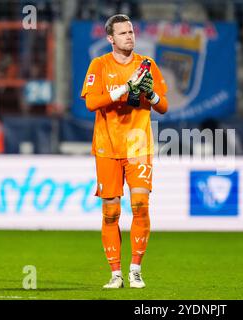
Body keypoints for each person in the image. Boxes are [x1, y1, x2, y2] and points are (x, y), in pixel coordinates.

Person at [81, 14, 168, 289]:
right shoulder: (99, 64)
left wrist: (150, 94)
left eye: (130, 31)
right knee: (111, 212)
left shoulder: (147, 65)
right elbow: (91, 103)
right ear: (110, 39)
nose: (129, 36)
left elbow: (164, 105)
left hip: (138, 146)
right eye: (122, 33)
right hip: (107, 147)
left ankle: (135, 270)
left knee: (140, 206)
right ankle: (115, 274)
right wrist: (121, 91)